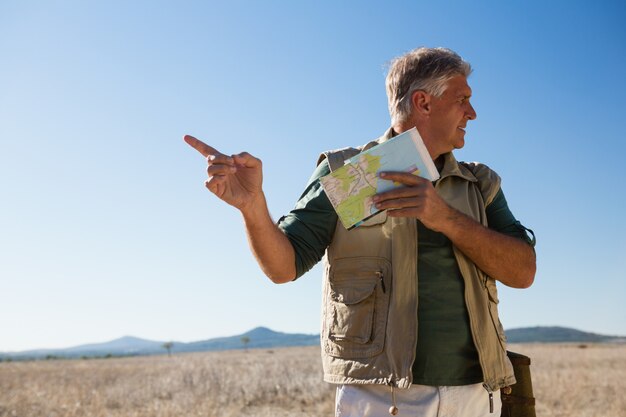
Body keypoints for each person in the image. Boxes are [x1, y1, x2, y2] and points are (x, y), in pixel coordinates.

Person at [184, 47, 536, 417]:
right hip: (382, 400)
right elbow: (283, 266)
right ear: (423, 103)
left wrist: (443, 216)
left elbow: (523, 272)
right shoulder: (356, 174)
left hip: (477, 397)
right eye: (462, 99)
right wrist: (253, 207)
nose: (472, 112)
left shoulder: (479, 184)